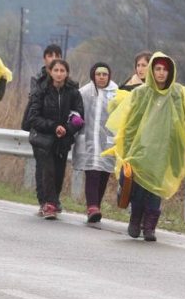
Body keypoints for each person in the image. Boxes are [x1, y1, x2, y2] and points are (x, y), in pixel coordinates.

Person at [106, 53, 185, 242]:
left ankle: (149, 226)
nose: (161, 73)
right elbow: (131, 123)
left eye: (165, 69)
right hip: (141, 149)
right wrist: (127, 150)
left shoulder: (177, 94)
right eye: (158, 69)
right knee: (138, 188)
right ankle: (135, 218)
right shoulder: (141, 93)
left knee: (156, 189)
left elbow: (182, 125)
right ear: (152, 71)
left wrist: (178, 153)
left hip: (163, 151)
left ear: (170, 72)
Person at [25, 59, 84, 219]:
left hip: (63, 140)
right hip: (43, 139)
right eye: (56, 70)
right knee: (48, 170)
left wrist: (67, 129)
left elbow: (79, 117)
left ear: (67, 73)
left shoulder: (73, 92)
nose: (59, 73)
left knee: (58, 173)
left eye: (62, 70)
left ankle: (51, 202)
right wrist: (53, 127)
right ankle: (48, 204)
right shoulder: (41, 91)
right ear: (50, 72)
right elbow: (33, 118)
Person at [73, 62, 119, 223]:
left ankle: (95, 207)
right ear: (93, 75)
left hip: (107, 142)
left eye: (104, 74)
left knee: (103, 175)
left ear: (109, 76)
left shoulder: (116, 94)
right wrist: (75, 119)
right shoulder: (84, 92)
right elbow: (74, 109)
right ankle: (92, 207)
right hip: (89, 141)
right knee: (92, 172)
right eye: (98, 74)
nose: (101, 77)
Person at [22, 44, 63, 214]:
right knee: (42, 167)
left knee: (58, 168)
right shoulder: (38, 79)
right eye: (50, 55)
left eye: (57, 55)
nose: (53, 58)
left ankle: (53, 200)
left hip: (59, 131)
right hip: (40, 129)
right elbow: (35, 104)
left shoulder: (64, 78)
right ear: (45, 58)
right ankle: (44, 201)